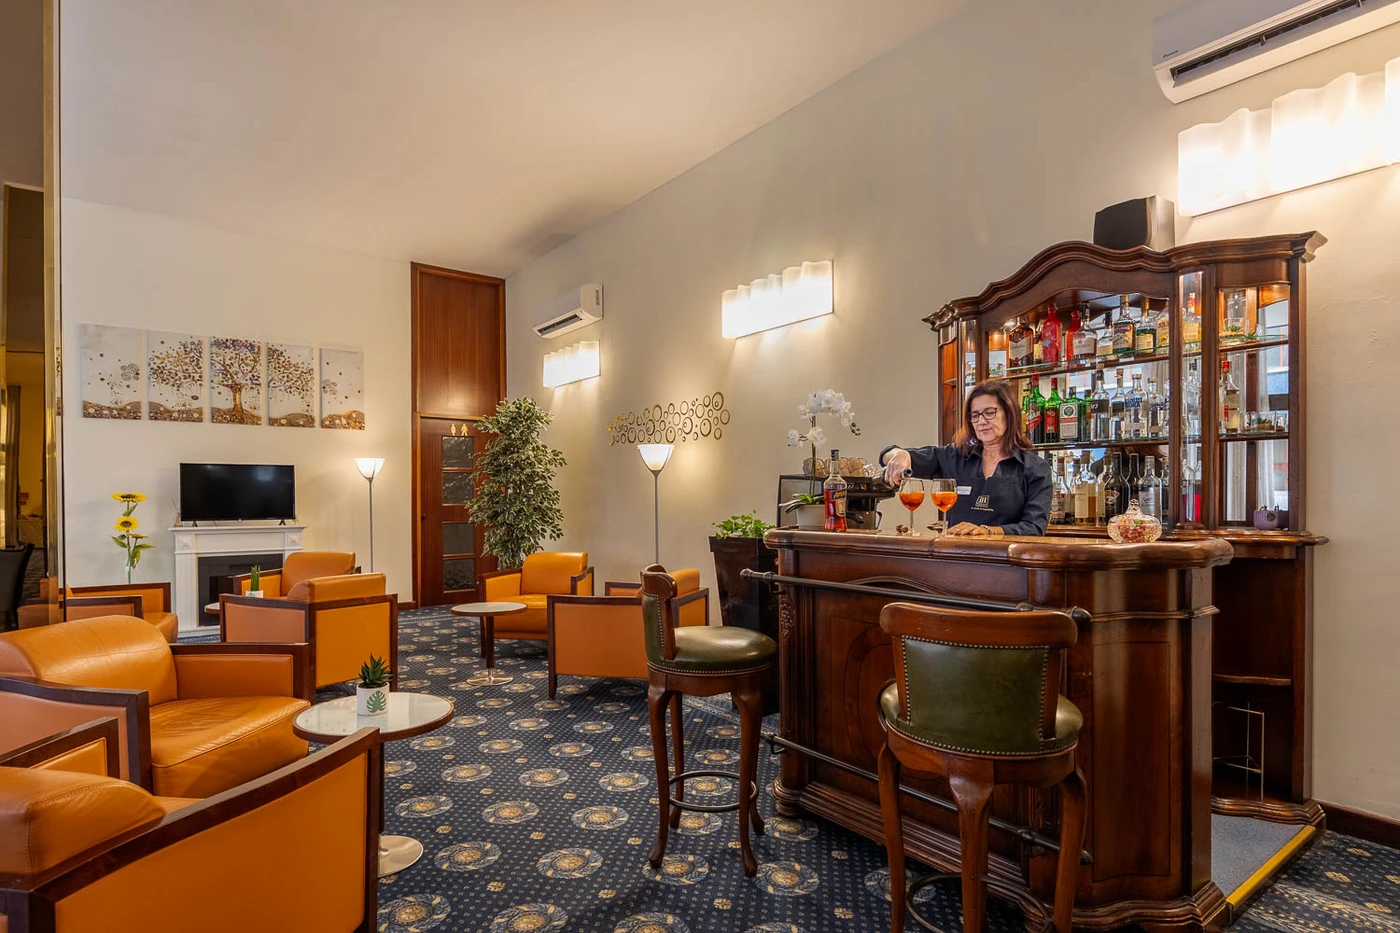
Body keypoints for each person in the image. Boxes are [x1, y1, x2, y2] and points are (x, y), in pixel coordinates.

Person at [880, 379, 1051, 537]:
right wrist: (899, 454)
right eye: (974, 415)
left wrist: (988, 531)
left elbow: (1034, 527)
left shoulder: (1034, 468)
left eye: (989, 412)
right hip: (957, 560)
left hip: (1006, 564)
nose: (981, 421)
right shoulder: (956, 456)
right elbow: (889, 454)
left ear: (1009, 413)